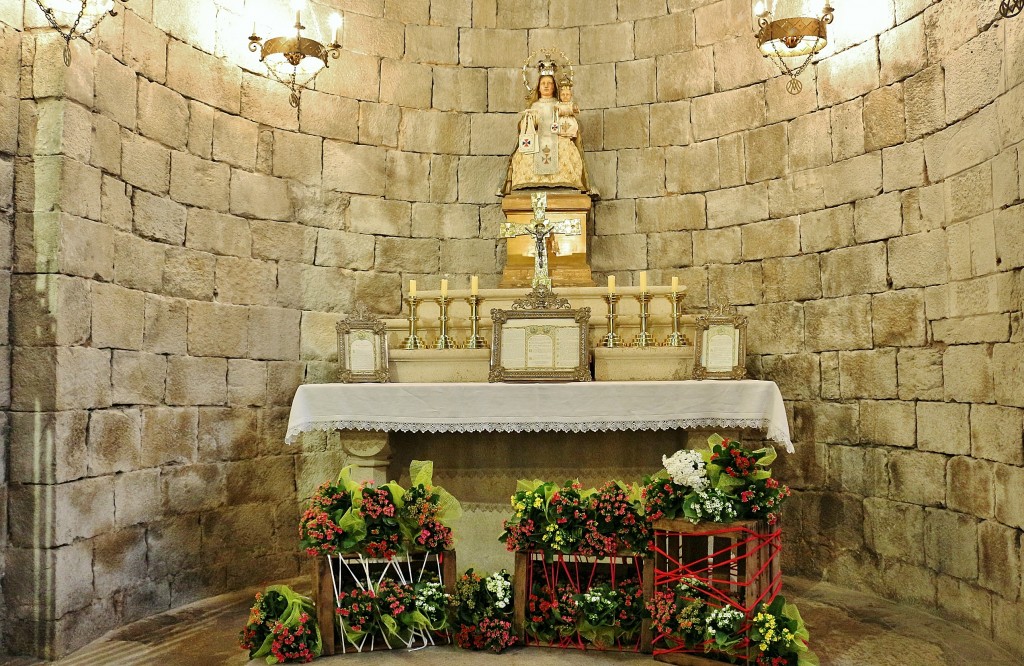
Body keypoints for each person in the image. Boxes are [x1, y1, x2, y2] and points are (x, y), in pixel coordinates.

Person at [499, 73, 592, 195]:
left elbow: (569, 120)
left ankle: (565, 181)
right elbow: (523, 127)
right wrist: (530, 120)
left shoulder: (559, 104)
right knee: (526, 152)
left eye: (549, 83)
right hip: (538, 136)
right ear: (538, 87)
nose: (546, 86)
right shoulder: (534, 105)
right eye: (543, 83)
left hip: (557, 135)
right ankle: (529, 182)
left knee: (565, 149)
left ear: (554, 87)